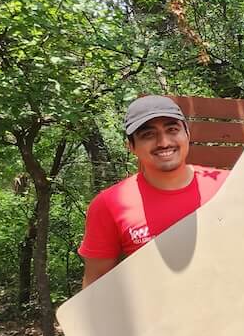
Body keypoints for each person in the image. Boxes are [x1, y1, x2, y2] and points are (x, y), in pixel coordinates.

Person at [79, 95, 229, 288]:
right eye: (148, 135)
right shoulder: (110, 204)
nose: (163, 142)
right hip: (157, 316)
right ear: (131, 146)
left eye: (172, 130)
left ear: (187, 135)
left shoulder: (229, 184)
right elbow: (95, 285)